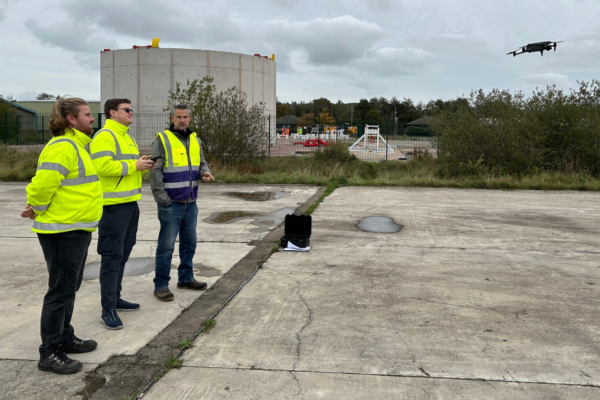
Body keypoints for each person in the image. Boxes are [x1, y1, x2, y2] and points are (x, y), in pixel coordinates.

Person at [21, 97, 103, 374]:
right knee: (60, 291)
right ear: (71, 119)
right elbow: (42, 184)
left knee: (70, 287)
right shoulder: (62, 147)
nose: (92, 119)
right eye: (87, 114)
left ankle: (64, 337)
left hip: (76, 228)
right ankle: (50, 351)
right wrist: (38, 207)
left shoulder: (77, 146)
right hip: (63, 230)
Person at [91, 98, 154, 329]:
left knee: (123, 254)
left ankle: (115, 299)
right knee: (111, 257)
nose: (131, 112)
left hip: (129, 204)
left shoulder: (126, 136)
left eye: (131, 109)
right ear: (112, 113)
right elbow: (102, 167)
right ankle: (107, 309)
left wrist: (142, 164)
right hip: (112, 207)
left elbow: (126, 167)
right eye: (126, 110)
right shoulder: (105, 136)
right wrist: (133, 166)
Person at [150, 104, 214, 301]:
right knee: (166, 245)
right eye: (178, 117)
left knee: (189, 243)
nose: (182, 120)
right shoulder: (162, 140)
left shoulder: (195, 140)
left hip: (191, 201)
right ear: (172, 118)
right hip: (171, 203)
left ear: (190, 118)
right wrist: (163, 200)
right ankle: (161, 284)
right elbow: (155, 171)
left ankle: (185, 278)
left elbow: (201, 162)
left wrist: (205, 172)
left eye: (185, 117)